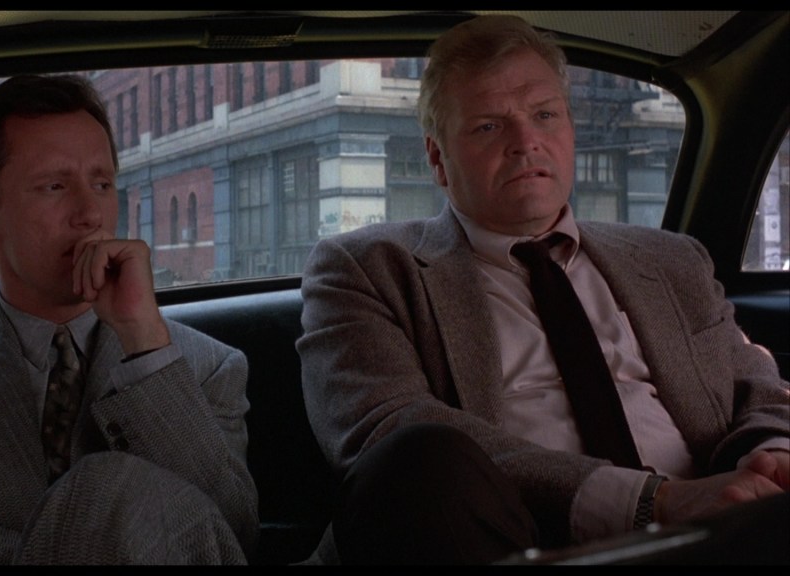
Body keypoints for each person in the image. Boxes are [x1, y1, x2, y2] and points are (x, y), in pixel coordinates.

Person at [296, 15, 789, 565]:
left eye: (545, 115)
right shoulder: (367, 268)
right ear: (438, 159)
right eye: (488, 126)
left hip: (720, 533)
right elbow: (385, 430)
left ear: (570, 132)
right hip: (514, 539)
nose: (526, 141)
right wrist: (653, 502)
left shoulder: (671, 259)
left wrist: (771, 457)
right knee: (416, 458)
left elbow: (760, 387)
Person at [0, 74, 258, 564]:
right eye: (54, 186)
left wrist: (145, 343)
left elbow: (230, 540)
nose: (91, 213)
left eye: (102, 184)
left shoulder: (204, 367)